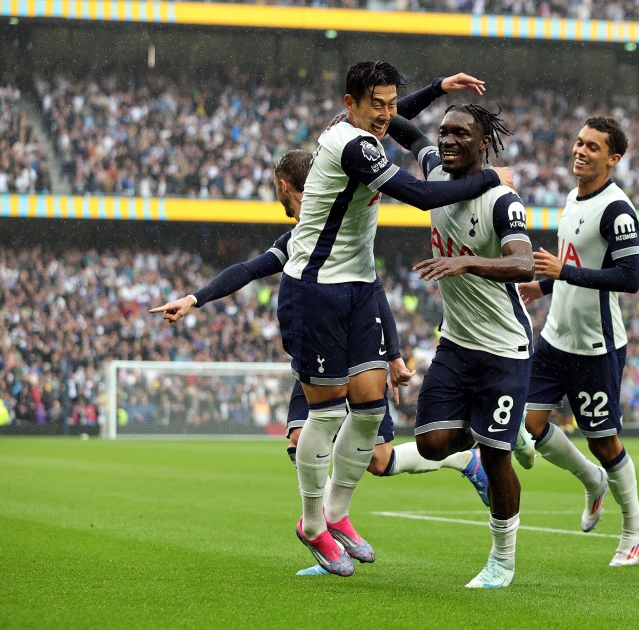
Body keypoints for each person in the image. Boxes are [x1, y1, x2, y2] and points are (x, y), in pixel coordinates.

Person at [148, 146, 490, 510]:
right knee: (300, 440)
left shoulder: (346, 240)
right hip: (319, 348)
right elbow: (250, 268)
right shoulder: (300, 239)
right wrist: (194, 299)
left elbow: (374, 291)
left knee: (379, 460)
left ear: (285, 188)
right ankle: (324, 529)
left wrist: (392, 355)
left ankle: (463, 459)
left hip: (356, 352)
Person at [280, 61, 514, 578]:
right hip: (316, 289)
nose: (386, 114)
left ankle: (339, 516)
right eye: (376, 105)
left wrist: (436, 88)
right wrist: (492, 178)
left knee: (367, 410)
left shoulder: (366, 130)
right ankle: (313, 523)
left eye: (391, 102)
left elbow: (392, 123)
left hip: (359, 285)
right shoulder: (350, 143)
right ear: (350, 104)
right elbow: (422, 196)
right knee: (324, 415)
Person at [388, 103, 533, 588]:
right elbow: (407, 134)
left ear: (482, 143)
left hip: (503, 347)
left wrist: (467, 263)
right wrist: (364, 118)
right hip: (455, 343)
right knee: (431, 444)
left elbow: (524, 264)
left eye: (459, 134)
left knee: (498, 457)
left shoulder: (500, 201)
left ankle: (502, 560)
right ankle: (495, 435)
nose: (447, 141)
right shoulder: (434, 175)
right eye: (444, 132)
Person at [517, 116, 639, 567]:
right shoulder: (572, 198)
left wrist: (562, 273)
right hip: (554, 337)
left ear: (612, 159)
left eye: (592, 147)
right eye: (578, 142)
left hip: (596, 345)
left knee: (605, 442)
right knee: (530, 426)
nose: (580, 151)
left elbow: (630, 278)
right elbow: (575, 261)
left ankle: (635, 526)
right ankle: (593, 482)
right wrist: (545, 286)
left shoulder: (618, 209)